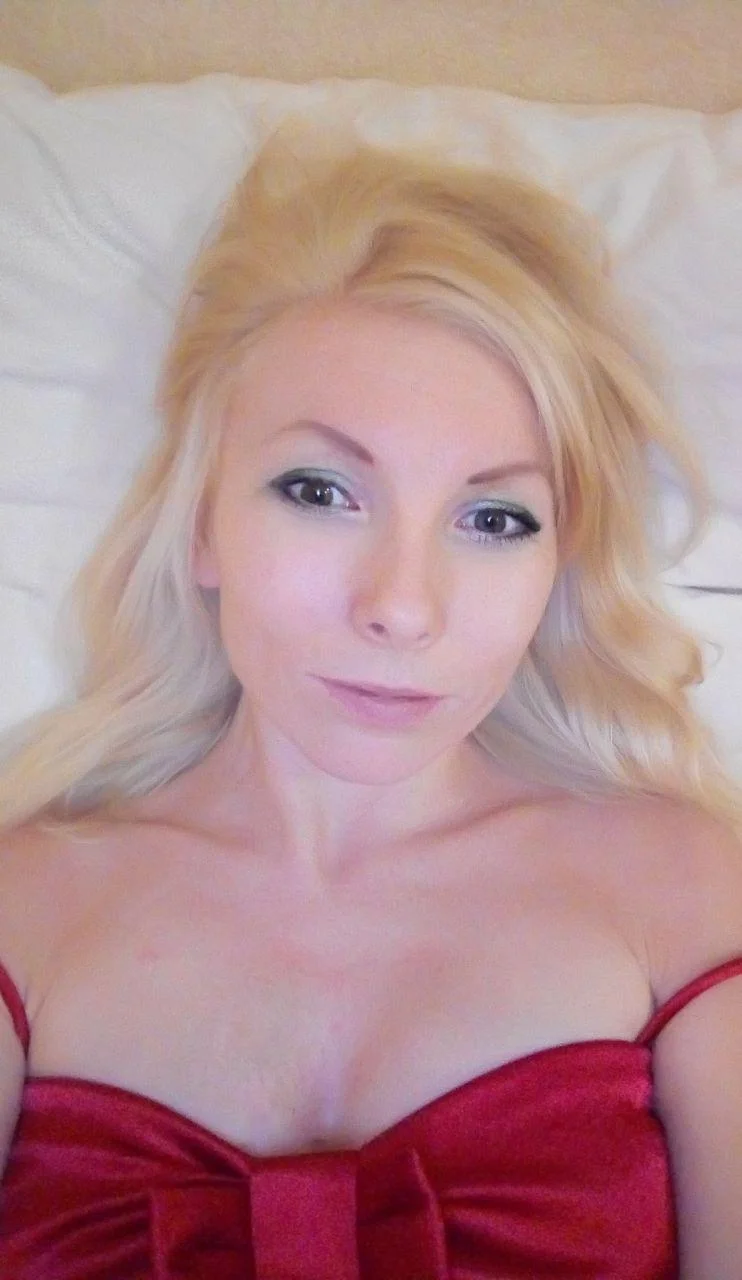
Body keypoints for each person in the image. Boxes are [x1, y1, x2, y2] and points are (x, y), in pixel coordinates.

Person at [0, 119, 740, 1280]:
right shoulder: (22, 909)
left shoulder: (686, 892)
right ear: (200, 524)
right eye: (318, 490)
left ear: (557, 561)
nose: (401, 605)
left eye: (493, 517)